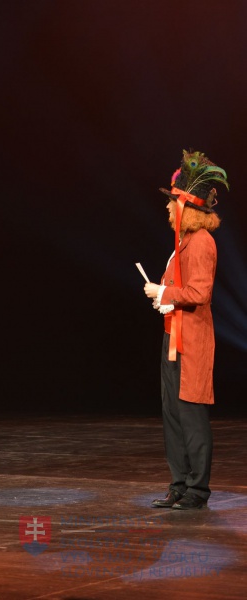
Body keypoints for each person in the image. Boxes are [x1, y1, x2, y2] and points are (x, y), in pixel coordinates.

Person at [144, 149, 228, 510]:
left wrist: (164, 293)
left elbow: (199, 293)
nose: (167, 208)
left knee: (190, 412)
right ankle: (179, 484)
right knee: (173, 414)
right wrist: (164, 296)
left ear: (187, 208)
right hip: (172, 337)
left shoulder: (202, 242)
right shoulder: (182, 243)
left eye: (172, 203)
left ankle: (197, 489)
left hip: (191, 340)